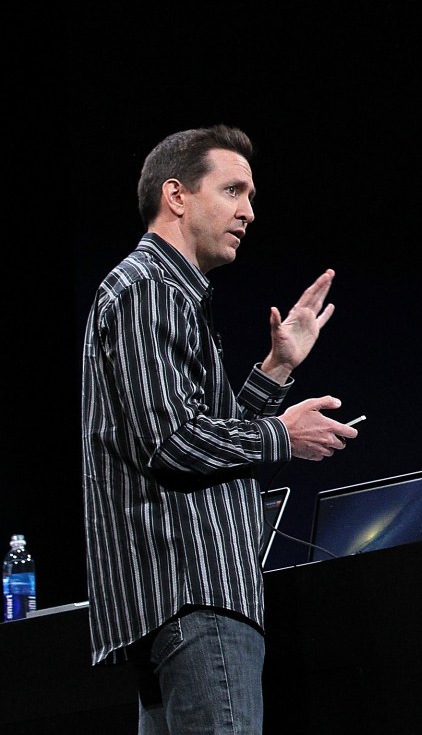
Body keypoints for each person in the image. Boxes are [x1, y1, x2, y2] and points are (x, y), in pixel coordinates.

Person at [81, 124, 359, 734]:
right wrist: (283, 435)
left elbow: (201, 435)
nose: (248, 212)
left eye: (251, 196)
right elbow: (172, 442)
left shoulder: (168, 294)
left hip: (179, 600)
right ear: (176, 196)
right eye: (233, 191)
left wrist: (277, 367)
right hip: (194, 593)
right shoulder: (150, 290)